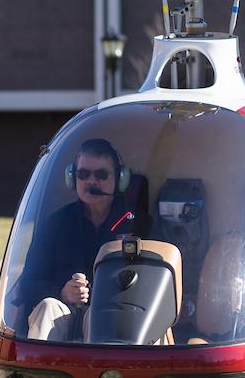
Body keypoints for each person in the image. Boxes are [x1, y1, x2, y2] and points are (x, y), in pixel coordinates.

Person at [21, 138, 149, 341]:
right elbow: (27, 283)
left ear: (120, 179)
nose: (92, 182)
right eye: (83, 174)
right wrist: (62, 292)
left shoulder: (137, 223)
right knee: (47, 308)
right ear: (72, 178)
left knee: (97, 316)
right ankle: (38, 372)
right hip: (63, 311)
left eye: (101, 175)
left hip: (111, 313)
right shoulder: (56, 223)